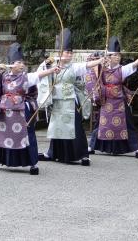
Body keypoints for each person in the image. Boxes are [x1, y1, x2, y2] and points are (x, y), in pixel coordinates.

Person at [0, 43, 60, 175]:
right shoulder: (3, 76)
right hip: (5, 112)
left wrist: (52, 70)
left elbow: (39, 75)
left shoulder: (26, 77)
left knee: (27, 135)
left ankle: (32, 163)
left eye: (22, 62)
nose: (21, 65)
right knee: (2, 135)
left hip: (21, 112)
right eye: (18, 62)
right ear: (11, 64)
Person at [37, 28, 103, 166]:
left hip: (71, 101)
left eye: (70, 53)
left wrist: (100, 60)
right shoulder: (50, 65)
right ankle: (53, 153)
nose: (69, 55)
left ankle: (82, 155)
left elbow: (86, 65)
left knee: (75, 127)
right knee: (57, 127)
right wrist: (47, 65)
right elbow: (39, 75)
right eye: (66, 52)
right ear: (59, 53)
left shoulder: (73, 67)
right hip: (56, 101)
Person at [87, 36, 138, 157]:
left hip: (119, 101)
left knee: (127, 123)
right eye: (115, 55)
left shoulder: (122, 69)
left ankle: (136, 148)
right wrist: (100, 60)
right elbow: (90, 66)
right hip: (106, 100)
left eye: (119, 56)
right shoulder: (101, 67)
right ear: (109, 57)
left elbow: (135, 64)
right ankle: (91, 146)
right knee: (100, 123)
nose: (118, 58)